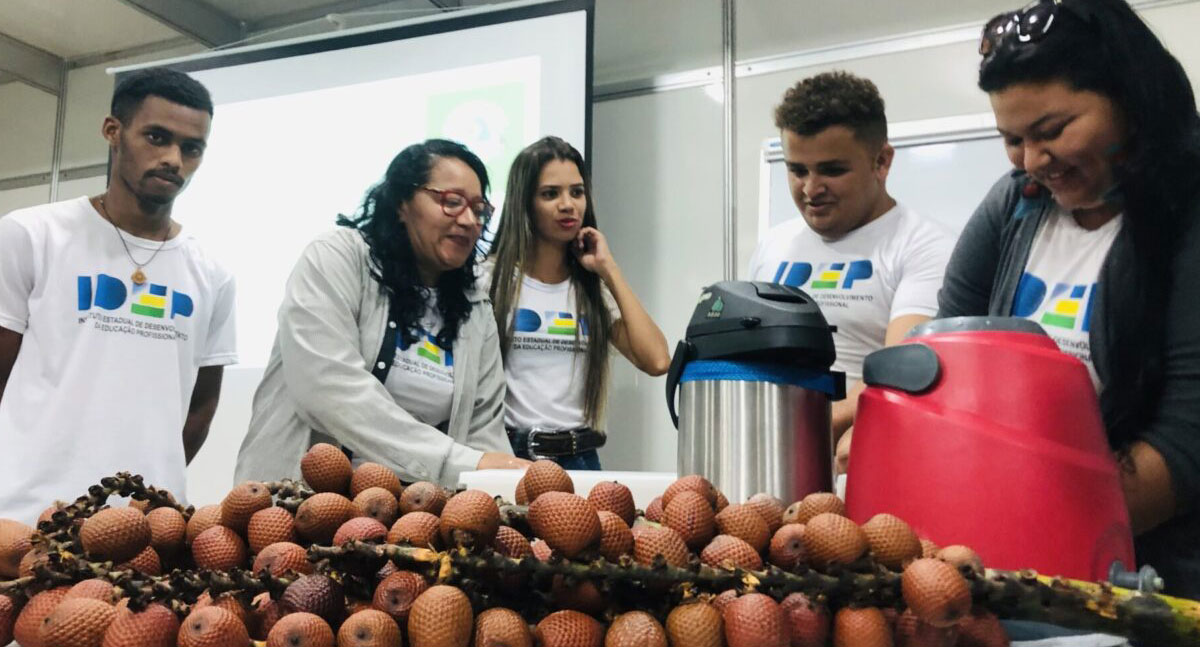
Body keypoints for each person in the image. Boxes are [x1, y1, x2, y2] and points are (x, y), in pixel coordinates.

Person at [940, 0, 1200, 598]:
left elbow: (1187, 443)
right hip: (1013, 557)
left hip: (1156, 577)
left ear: (1132, 101)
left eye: (1053, 132)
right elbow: (947, 356)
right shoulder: (1015, 205)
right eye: (1012, 139)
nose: (1033, 162)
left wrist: (1024, 531)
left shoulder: (1188, 210)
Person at [0, 68, 236, 523]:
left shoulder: (213, 273)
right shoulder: (31, 234)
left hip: (145, 527)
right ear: (113, 131)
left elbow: (201, 408)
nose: (173, 159)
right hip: (23, 515)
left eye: (191, 148)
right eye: (156, 137)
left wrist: (144, 495)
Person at [236, 139, 527, 487]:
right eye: (451, 202)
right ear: (402, 203)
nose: (468, 221)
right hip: (295, 507)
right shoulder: (337, 257)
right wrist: (457, 463)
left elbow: (484, 435)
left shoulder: (474, 309)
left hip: (412, 520)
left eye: (479, 210)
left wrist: (500, 487)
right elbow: (328, 389)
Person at [747, 71, 953, 471]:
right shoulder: (773, 246)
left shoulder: (927, 246)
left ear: (882, 161)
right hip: (772, 463)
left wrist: (796, 429)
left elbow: (899, 368)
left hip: (872, 468)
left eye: (831, 170)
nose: (810, 188)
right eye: (797, 170)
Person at [483, 136, 670, 469]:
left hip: (582, 458)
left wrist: (609, 269)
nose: (568, 204)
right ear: (524, 203)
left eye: (577, 192)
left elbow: (656, 360)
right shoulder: (490, 278)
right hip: (511, 454)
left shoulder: (590, 287)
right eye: (550, 194)